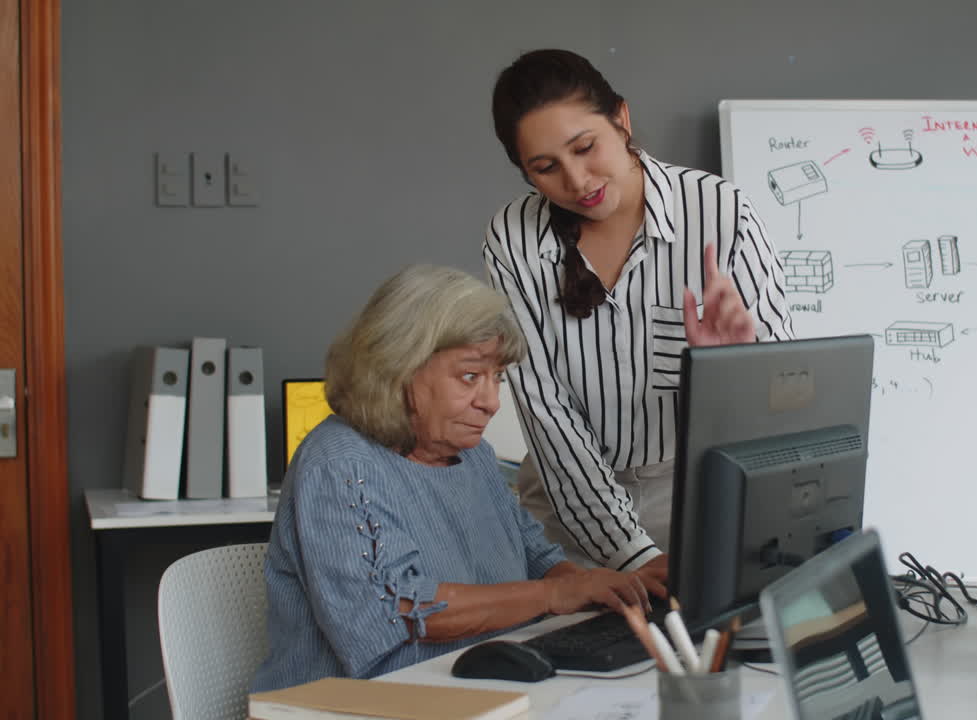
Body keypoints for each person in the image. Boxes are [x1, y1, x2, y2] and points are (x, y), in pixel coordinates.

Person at [253, 264, 654, 692]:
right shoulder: (339, 464)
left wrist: (599, 587)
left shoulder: (473, 455)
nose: (492, 402)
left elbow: (535, 555)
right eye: (470, 377)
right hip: (355, 704)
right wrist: (554, 596)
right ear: (398, 366)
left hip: (471, 685)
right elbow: (394, 609)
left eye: (497, 378)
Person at [483, 49, 794, 580]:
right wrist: (632, 554)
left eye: (585, 147)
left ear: (621, 119)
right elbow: (545, 410)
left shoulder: (722, 212)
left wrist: (736, 369)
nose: (577, 181)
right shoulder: (514, 238)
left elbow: (785, 402)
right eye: (545, 168)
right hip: (566, 508)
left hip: (696, 497)